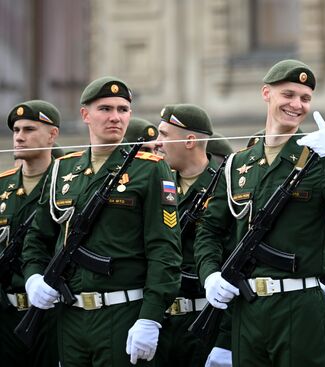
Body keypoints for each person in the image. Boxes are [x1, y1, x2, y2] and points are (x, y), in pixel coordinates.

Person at [193, 59, 325, 366]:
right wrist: (209, 275)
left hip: (299, 305)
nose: (297, 105)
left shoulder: (320, 159)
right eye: (288, 94)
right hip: (248, 308)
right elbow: (209, 231)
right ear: (266, 94)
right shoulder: (238, 164)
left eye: (305, 98)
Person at [21, 76, 182, 366]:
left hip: (122, 313)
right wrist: (33, 277)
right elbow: (37, 237)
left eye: (123, 110)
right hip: (70, 317)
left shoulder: (150, 170)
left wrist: (150, 317)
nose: (115, 118)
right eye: (105, 109)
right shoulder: (63, 170)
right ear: (85, 115)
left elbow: (165, 250)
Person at [153, 103, 219, 367]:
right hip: (162, 324)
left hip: (204, 322)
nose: (157, 143)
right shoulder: (158, 185)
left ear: (190, 141)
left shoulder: (223, 185)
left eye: (164, 135)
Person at [0, 100, 61, 367]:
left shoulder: (67, 183)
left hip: (50, 313)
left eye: (29, 129)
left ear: (52, 135)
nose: (20, 137)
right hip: (6, 314)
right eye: (16, 130)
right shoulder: (3, 184)